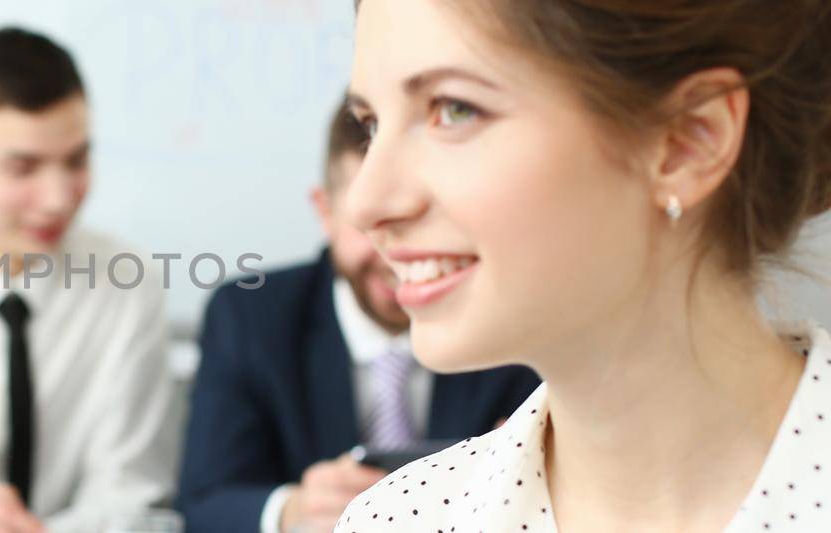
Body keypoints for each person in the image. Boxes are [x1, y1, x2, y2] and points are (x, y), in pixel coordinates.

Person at [337, 0, 831, 531]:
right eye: (370, 125)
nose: (364, 204)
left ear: (688, 142)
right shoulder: (395, 520)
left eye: (454, 109)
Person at [176, 103, 538, 533]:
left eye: (424, 218)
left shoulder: (515, 318)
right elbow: (204, 502)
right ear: (324, 211)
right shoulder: (249, 318)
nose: (396, 255)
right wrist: (290, 512)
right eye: (367, 222)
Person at [0, 27, 180, 533]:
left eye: (76, 160)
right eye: (23, 168)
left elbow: (132, 498)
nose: (58, 198)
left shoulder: (128, 286)